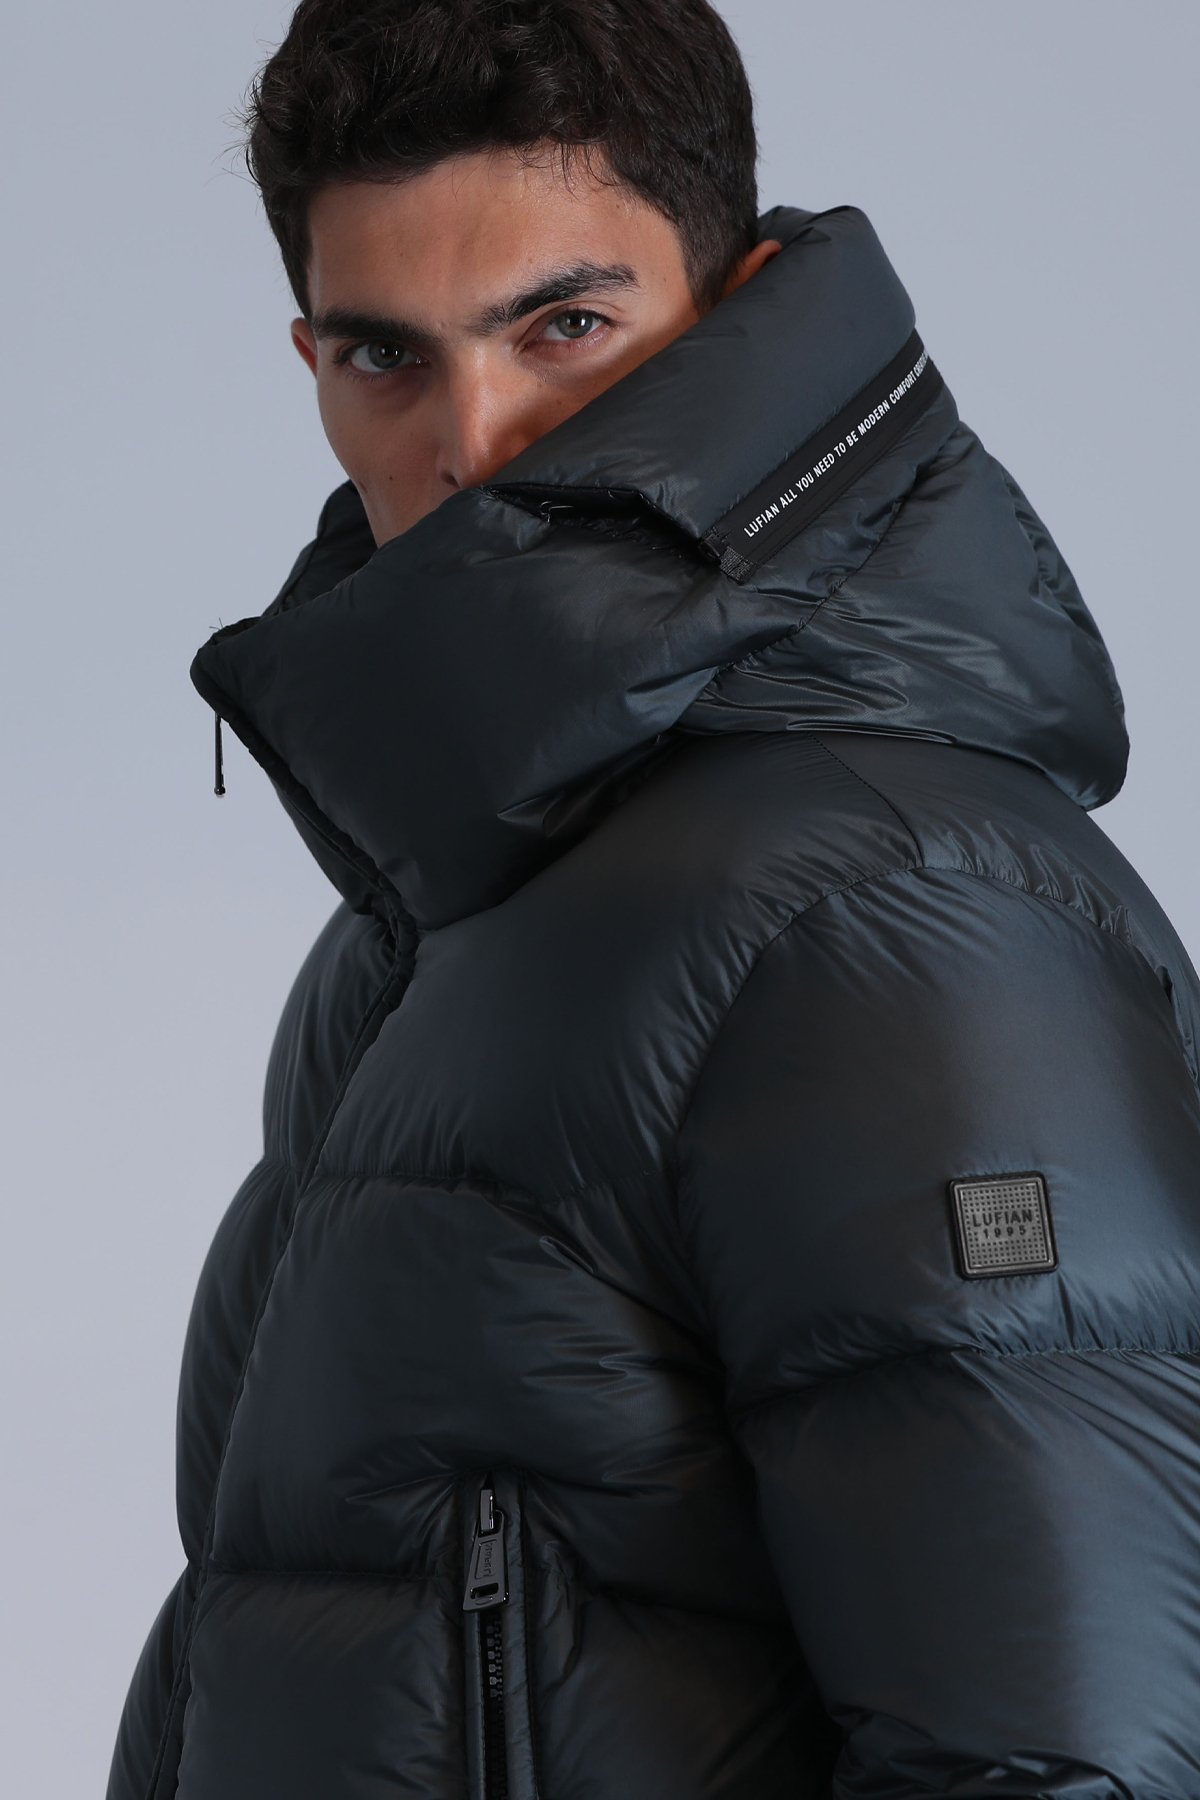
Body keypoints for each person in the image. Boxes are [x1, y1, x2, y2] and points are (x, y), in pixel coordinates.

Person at [107, 2, 1200, 1796]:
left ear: (738, 297)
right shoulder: (437, 916)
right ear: (307, 358)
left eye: (566, 327)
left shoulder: (891, 915)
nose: (476, 445)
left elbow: (1068, 1754)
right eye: (384, 357)